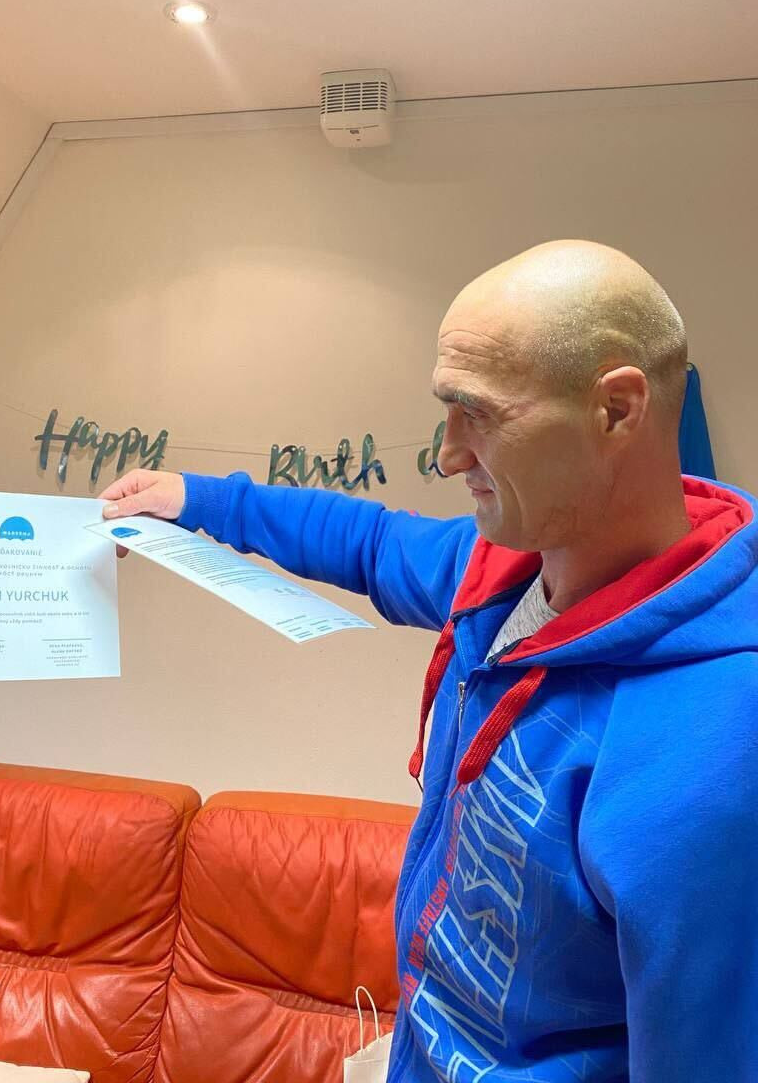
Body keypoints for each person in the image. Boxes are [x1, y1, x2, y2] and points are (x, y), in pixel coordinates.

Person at [100, 239, 758, 1082]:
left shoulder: (714, 738)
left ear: (617, 410)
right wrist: (195, 500)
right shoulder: (505, 571)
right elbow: (371, 542)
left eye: (478, 413)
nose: (448, 455)